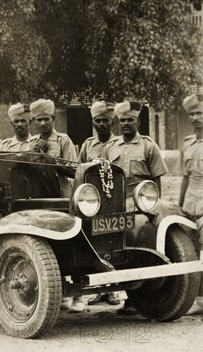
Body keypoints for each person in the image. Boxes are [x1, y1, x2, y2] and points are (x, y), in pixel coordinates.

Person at [102, 100, 169, 316]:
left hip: (141, 207)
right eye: (122, 121)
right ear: (118, 123)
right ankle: (125, 298)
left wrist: (154, 207)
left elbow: (156, 181)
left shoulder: (149, 146)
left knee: (140, 253)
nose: (126, 124)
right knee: (118, 253)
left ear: (138, 121)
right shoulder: (111, 148)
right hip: (117, 208)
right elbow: (104, 177)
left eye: (130, 120)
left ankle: (141, 299)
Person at [29, 99, 83, 312]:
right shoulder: (32, 142)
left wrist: (47, 160)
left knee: (73, 243)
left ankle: (79, 296)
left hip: (62, 197)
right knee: (51, 247)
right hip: (40, 199)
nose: (43, 124)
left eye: (46, 119)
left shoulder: (63, 140)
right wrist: (35, 153)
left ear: (53, 119)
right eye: (39, 120)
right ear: (34, 121)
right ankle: (61, 294)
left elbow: (73, 169)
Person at [79, 101, 122, 307]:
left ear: (112, 122)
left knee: (114, 244)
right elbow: (78, 172)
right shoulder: (88, 145)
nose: (102, 124)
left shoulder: (119, 144)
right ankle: (99, 292)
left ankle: (114, 291)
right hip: (91, 204)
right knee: (92, 244)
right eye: (98, 121)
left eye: (106, 120)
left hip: (115, 203)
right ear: (93, 123)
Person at [180, 93, 203, 322]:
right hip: (190, 202)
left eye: (199, 112)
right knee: (189, 254)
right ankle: (199, 300)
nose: (195, 117)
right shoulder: (187, 143)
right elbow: (184, 177)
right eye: (192, 114)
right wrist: (180, 207)